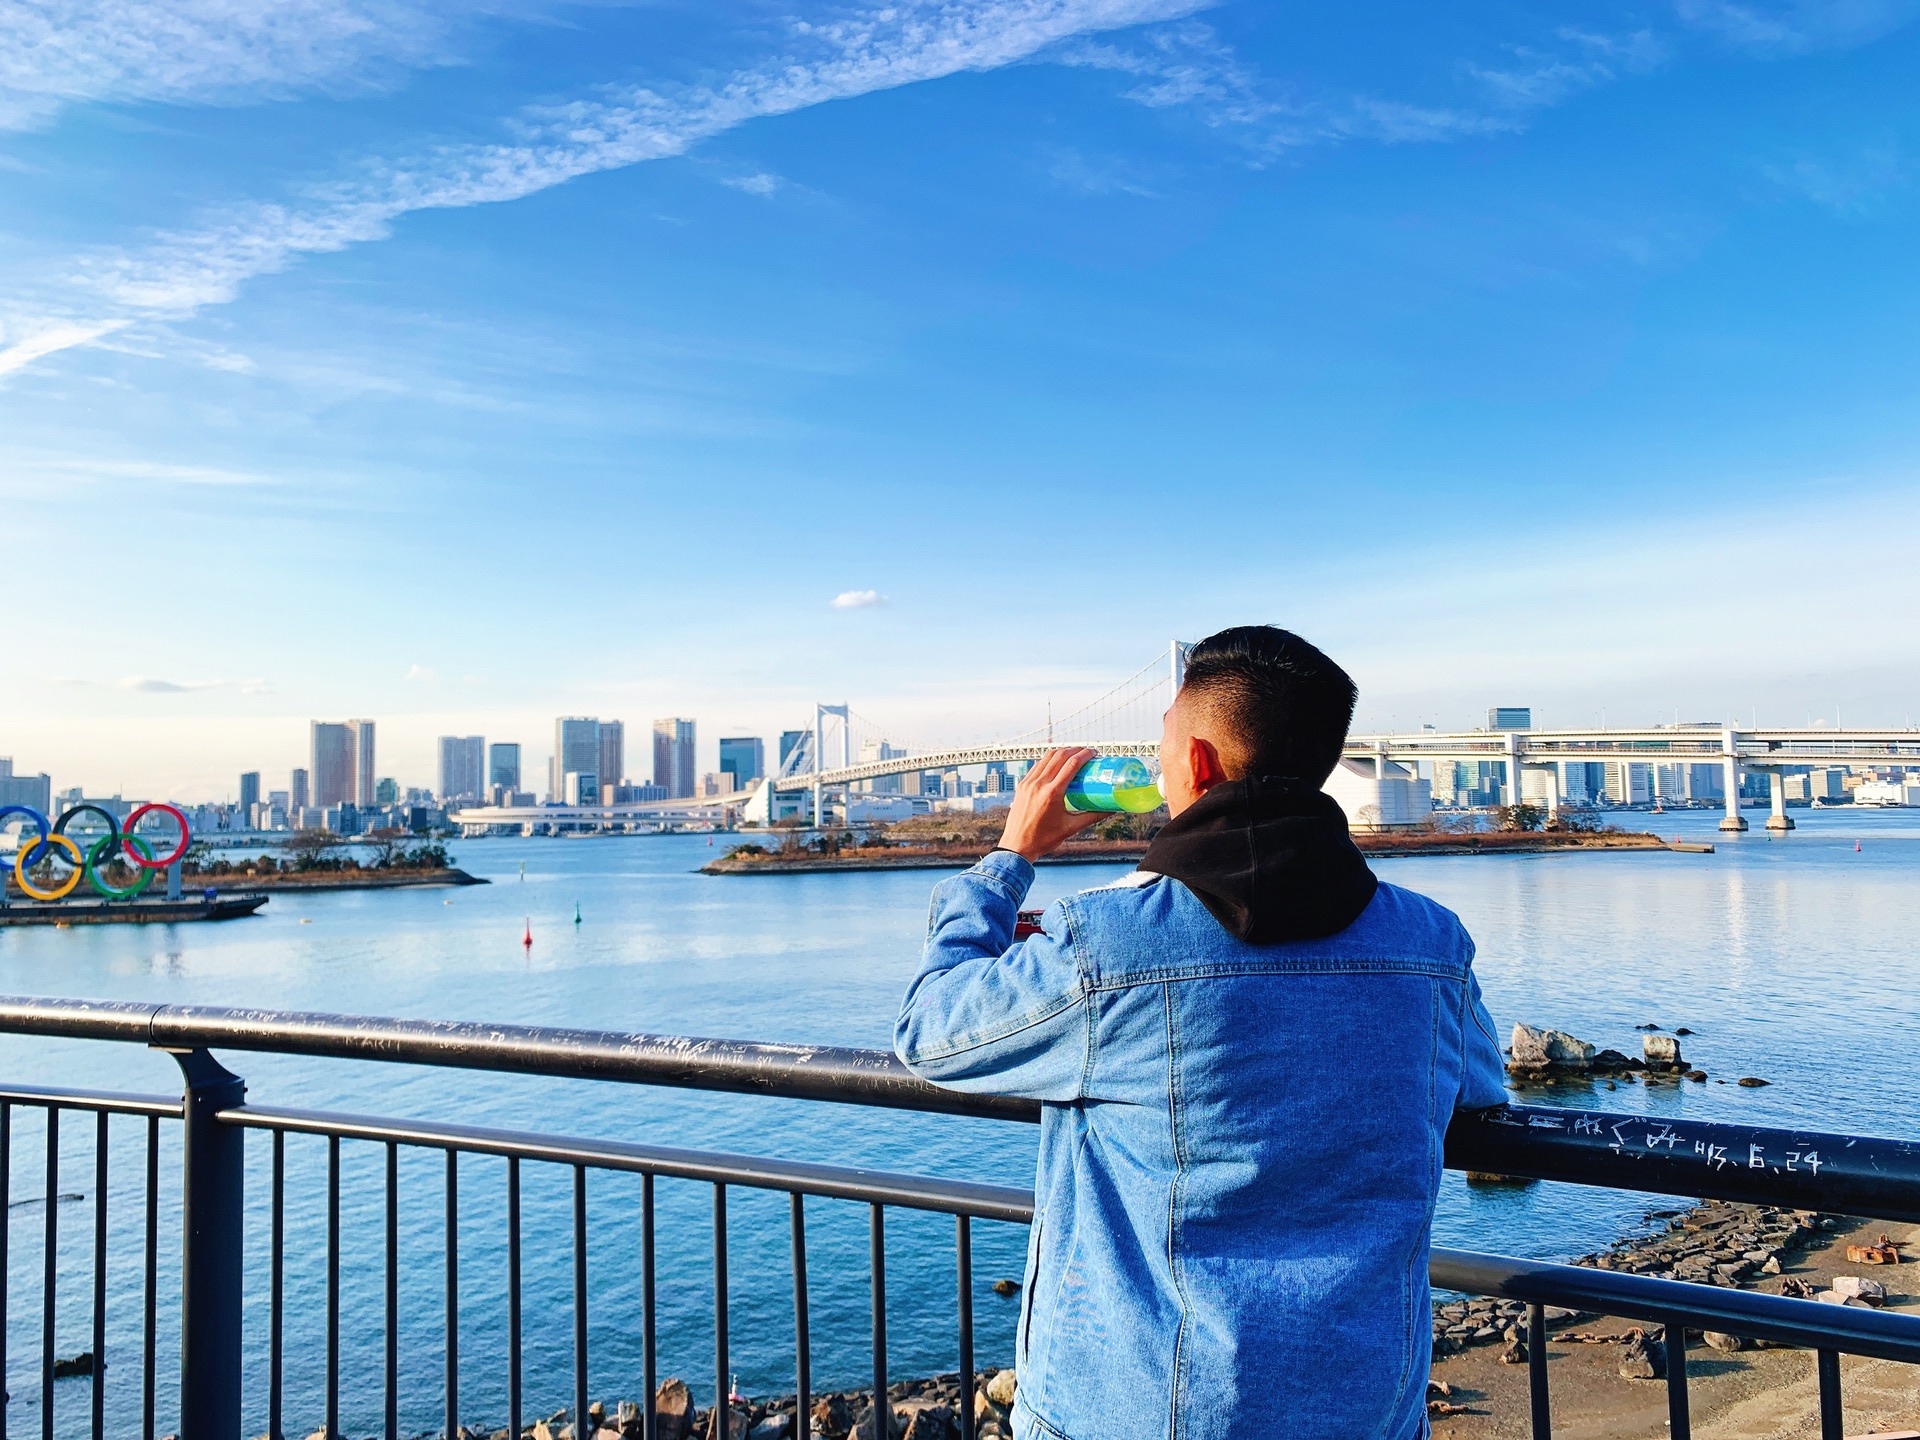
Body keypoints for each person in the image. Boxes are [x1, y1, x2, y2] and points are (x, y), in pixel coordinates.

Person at [894, 625, 1507, 1440]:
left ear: (1200, 765)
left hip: (1136, 1412)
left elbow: (933, 1029)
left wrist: (1007, 859)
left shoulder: (1105, 945)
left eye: (1162, 752)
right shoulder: (1432, 945)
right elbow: (1480, 1089)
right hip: (1361, 1408)